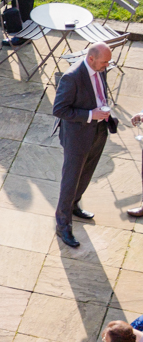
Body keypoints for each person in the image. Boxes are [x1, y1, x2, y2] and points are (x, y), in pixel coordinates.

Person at [53, 42, 114, 248]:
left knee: (87, 173)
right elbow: (59, 110)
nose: (107, 66)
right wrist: (90, 115)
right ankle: (63, 225)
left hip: (98, 131)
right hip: (77, 137)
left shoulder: (100, 68)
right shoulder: (72, 77)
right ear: (91, 59)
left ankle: (74, 205)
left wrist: (102, 111)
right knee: (70, 180)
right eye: (104, 62)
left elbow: (99, 94)